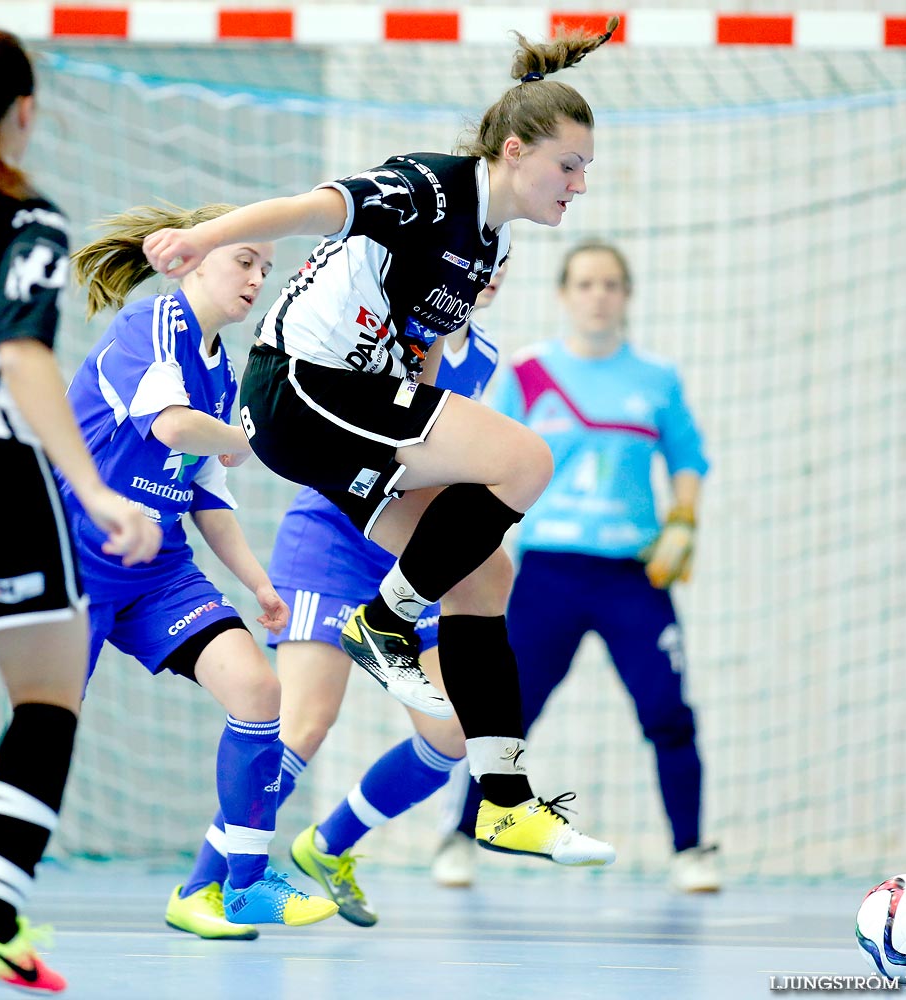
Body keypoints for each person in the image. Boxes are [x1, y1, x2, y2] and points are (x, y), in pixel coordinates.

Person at [144, 19, 622, 871]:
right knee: (528, 459)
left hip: (348, 409)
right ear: (514, 151)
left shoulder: (491, 243)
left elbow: (423, 357)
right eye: (570, 166)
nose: (580, 185)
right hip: (299, 387)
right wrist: (203, 241)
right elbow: (304, 209)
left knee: (487, 574)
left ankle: (506, 803)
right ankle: (385, 621)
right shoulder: (427, 189)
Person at [0, 203, 339, 952]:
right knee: (41, 737)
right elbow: (175, 428)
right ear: (196, 259)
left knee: (258, 688)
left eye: (267, 268)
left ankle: (240, 885)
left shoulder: (220, 367)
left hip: (160, 567)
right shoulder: (147, 328)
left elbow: (204, 489)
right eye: (245, 260)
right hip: (77, 560)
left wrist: (258, 585)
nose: (257, 279)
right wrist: (246, 435)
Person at [0, 28, 161, 992]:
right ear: (22, 110)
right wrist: (94, 493)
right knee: (46, 699)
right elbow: (23, 355)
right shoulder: (24, 213)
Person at [173, 266, 505, 933]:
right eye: (472, 260)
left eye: (493, 262)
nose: (483, 272)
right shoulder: (389, 333)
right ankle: (201, 889)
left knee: (450, 734)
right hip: (335, 533)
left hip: (414, 553)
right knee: (302, 725)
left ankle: (326, 846)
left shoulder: (489, 358)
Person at [431, 241, 722, 894]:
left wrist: (682, 521)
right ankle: (459, 836)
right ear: (565, 294)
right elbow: (485, 459)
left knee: (666, 709)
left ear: (626, 296)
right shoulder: (530, 371)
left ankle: (692, 851)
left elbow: (689, 459)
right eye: (586, 283)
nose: (599, 295)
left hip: (631, 577)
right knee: (504, 712)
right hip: (547, 576)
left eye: (612, 284)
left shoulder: (656, 379)